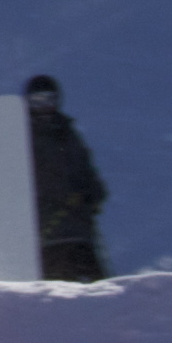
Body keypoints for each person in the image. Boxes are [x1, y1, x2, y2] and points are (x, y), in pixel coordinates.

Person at [24, 74, 110, 283]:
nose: (43, 106)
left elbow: (87, 172)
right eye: (37, 101)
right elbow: (31, 182)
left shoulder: (67, 133)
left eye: (48, 100)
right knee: (60, 294)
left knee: (99, 293)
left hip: (80, 234)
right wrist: (65, 198)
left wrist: (92, 194)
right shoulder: (23, 136)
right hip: (49, 236)